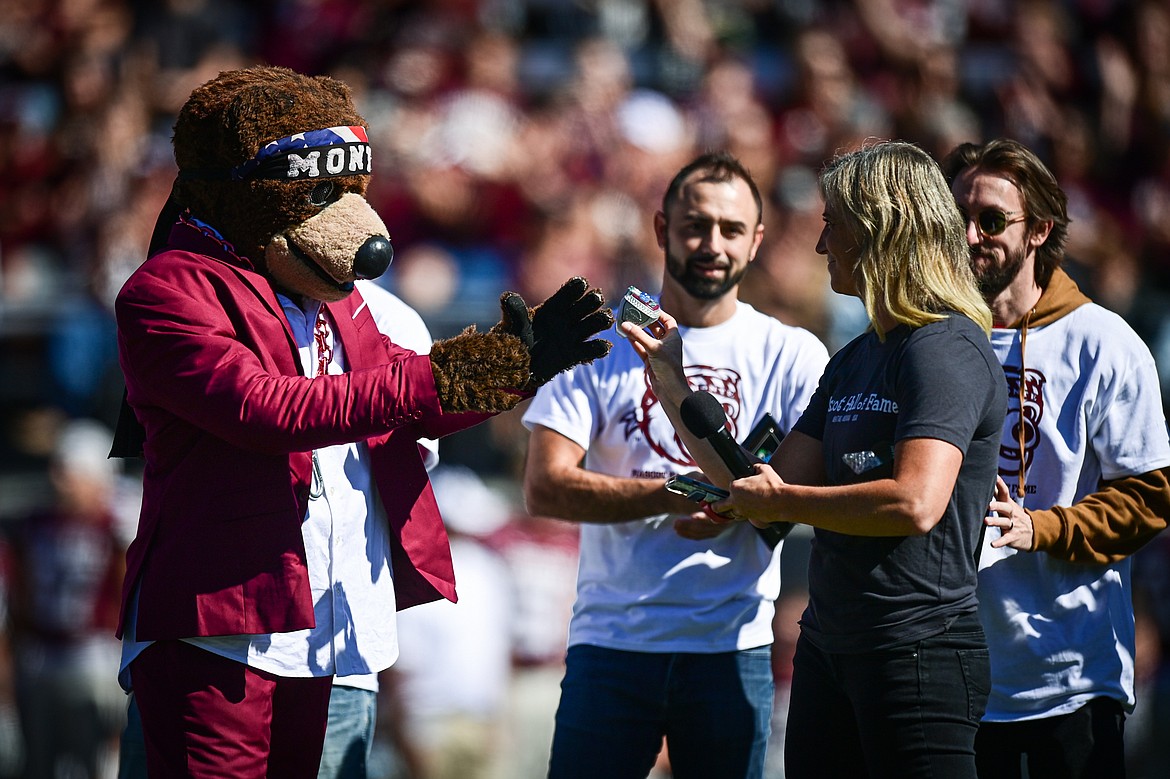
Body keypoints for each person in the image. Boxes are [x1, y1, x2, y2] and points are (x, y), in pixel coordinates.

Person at [625, 140, 1006, 778]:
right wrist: (673, 383)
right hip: (832, 649)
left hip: (916, 650)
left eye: (834, 224)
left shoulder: (943, 348)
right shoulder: (857, 357)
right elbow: (755, 483)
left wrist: (780, 503)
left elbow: (914, 503)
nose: (822, 243)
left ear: (878, 228)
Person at [521, 151, 830, 779]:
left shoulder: (794, 354)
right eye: (694, 226)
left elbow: (802, 496)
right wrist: (675, 492)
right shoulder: (598, 343)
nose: (711, 242)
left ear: (756, 241)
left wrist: (735, 503)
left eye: (731, 228)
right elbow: (546, 488)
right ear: (662, 229)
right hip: (611, 643)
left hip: (732, 643)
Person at [941, 138, 1170, 778]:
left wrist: (1042, 528)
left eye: (990, 219)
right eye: (955, 217)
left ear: (1039, 229)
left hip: (1069, 679)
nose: (969, 235)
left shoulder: (1102, 341)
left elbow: (1149, 500)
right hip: (951, 679)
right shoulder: (930, 338)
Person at [4, 419, 127, 779]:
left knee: (98, 765)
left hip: (96, 659)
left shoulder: (117, 528)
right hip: (41, 658)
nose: (59, 480)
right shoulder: (33, 527)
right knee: (37, 764)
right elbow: (19, 602)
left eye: (70, 471)